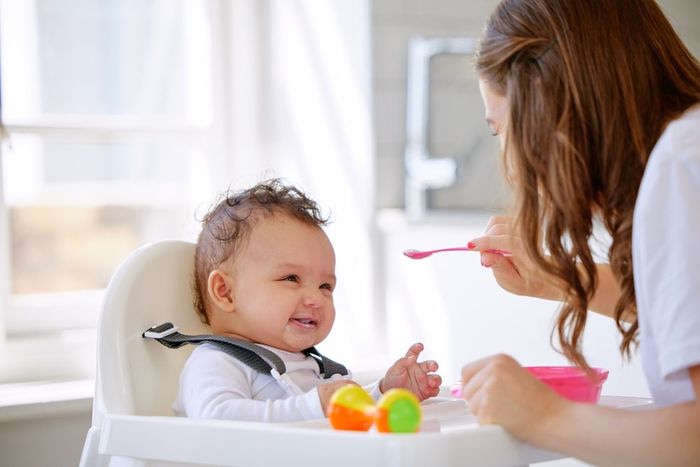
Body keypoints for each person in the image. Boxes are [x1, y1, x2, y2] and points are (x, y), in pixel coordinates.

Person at [459, 0, 700, 464]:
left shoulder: (681, 162)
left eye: (500, 129)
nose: (511, 165)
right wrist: (559, 275)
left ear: (549, 109)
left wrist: (543, 415)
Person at [174, 179, 441, 422]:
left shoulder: (312, 367)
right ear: (225, 292)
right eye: (291, 278)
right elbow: (214, 419)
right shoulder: (217, 361)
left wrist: (383, 392)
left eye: (326, 286)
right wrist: (316, 406)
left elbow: (341, 415)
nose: (316, 298)